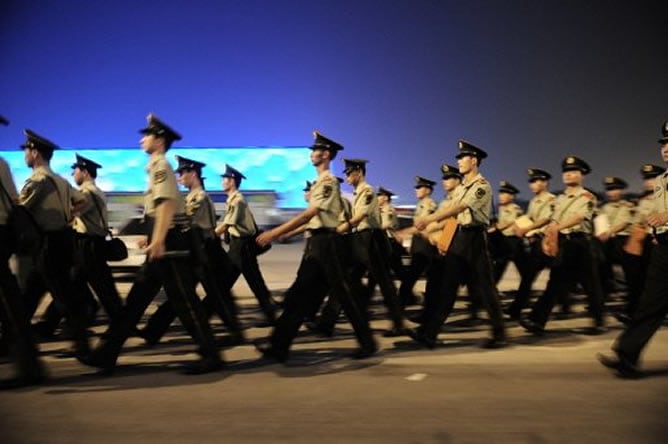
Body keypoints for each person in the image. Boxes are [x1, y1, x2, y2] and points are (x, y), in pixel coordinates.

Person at [78, 114, 222, 375]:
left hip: (170, 243)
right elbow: (157, 208)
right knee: (135, 301)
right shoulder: (156, 167)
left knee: (184, 300)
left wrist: (158, 239)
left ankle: (211, 354)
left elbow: (166, 203)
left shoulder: (161, 166)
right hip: (163, 239)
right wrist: (152, 234)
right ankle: (106, 353)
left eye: (147, 135)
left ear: (160, 139)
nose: (141, 139)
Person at [254, 131, 377, 362]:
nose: (311, 154)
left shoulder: (328, 182)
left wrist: (274, 232)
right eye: (312, 150)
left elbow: (311, 214)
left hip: (329, 245)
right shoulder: (321, 182)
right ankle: (278, 347)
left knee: (344, 295)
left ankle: (367, 342)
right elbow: (312, 221)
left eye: (316, 150)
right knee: (300, 296)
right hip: (319, 243)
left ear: (326, 154)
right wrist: (288, 233)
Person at [410, 140, 507, 349]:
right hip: (460, 237)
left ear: (473, 161)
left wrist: (429, 219)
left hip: (476, 239)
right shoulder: (462, 187)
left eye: (463, 158)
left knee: (486, 288)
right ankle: (429, 333)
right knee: (448, 287)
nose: (460, 162)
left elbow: (459, 208)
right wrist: (436, 229)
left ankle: (499, 333)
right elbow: (453, 215)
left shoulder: (482, 186)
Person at [140, 155, 243, 346]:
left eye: (182, 173)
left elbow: (184, 221)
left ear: (192, 173)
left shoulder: (200, 198)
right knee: (184, 293)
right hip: (197, 248)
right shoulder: (190, 197)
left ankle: (234, 332)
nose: (179, 178)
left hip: (207, 250)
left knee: (215, 295)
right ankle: (153, 330)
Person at [598, 121, 668, 378]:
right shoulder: (662, 181)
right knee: (650, 303)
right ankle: (627, 355)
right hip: (664, 248)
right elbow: (656, 216)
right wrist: (657, 233)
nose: (666, 148)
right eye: (663, 144)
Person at [18, 129, 93, 360]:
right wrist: (67, 216)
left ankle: (82, 343)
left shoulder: (38, 180)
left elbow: (20, 210)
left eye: (26, 151)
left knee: (61, 296)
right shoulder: (60, 180)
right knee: (30, 296)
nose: (25, 156)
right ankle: (13, 341)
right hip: (62, 241)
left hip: (47, 245)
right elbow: (81, 200)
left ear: (35, 152)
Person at [34, 154, 124, 337]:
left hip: (88, 245)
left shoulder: (87, 193)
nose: (73, 175)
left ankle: (121, 324)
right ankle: (54, 323)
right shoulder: (96, 191)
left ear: (84, 172)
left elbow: (70, 214)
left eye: (75, 171)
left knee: (102, 288)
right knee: (72, 286)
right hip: (88, 245)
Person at [317, 158, 407, 337]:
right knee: (346, 280)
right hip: (358, 240)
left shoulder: (368, 192)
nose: (348, 177)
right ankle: (328, 322)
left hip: (372, 240)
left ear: (358, 172)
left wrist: (341, 228)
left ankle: (398, 322)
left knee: (384, 284)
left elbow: (360, 217)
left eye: (350, 173)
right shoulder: (357, 193)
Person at [520, 155, 606, 336]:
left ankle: (598, 321)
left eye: (573, 172)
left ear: (582, 175)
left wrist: (557, 227)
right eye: (566, 172)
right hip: (564, 244)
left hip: (581, 243)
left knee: (591, 284)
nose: (568, 175)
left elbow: (580, 216)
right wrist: (547, 237)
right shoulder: (559, 199)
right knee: (555, 282)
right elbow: (552, 220)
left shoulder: (588, 196)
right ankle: (537, 320)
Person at [0, 119, 45, 389]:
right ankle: (28, 363)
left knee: (10, 301)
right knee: (11, 301)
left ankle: (29, 366)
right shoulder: (3, 164)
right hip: (3, 234)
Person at [215, 164, 277, 325]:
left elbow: (227, 224)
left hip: (242, 247)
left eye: (225, 179)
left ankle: (212, 314)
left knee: (247, 282)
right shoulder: (233, 200)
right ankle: (270, 315)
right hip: (239, 246)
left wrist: (209, 237)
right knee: (243, 281)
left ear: (232, 181)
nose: (222, 181)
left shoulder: (238, 201)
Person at [617, 164, 666, 323]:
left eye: (652, 178)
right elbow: (638, 221)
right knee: (638, 280)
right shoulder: (643, 199)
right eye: (646, 178)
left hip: (659, 241)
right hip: (641, 242)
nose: (649, 182)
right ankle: (633, 311)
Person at [505, 168, 555, 319]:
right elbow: (530, 217)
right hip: (537, 243)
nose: (532, 184)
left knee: (561, 277)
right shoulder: (534, 201)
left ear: (545, 182)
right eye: (531, 181)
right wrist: (517, 224)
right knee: (528, 277)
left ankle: (566, 304)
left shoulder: (551, 200)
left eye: (535, 181)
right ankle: (516, 309)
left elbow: (545, 219)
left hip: (549, 242)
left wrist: (527, 228)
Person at [396, 176, 438, 306]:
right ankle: (410, 299)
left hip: (425, 243)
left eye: (419, 187)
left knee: (413, 274)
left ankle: (404, 300)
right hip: (420, 242)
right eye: (417, 187)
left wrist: (403, 232)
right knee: (417, 274)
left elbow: (422, 226)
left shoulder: (428, 204)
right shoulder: (421, 204)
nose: (416, 190)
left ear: (427, 190)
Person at [596, 176, 633, 295]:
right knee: (603, 265)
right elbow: (600, 222)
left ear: (621, 190)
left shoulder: (627, 206)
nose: (611, 193)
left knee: (629, 269)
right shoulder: (604, 207)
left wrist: (609, 232)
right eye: (609, 190)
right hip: (608, 241)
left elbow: (624, 223)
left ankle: (632, 293)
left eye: (614, 189)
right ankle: (607, 290)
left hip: (623, 240)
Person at [491, 181, 526, 283]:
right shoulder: (501, 208)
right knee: (499, 265)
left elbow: (508, 222)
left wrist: (495, 228)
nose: (501, 196)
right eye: (500, 193)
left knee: (522, 267)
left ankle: (526, 287)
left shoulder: (515, 209)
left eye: (504, 193)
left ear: (512, 196)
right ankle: (491, 288)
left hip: (513, 241)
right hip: (503, 241)